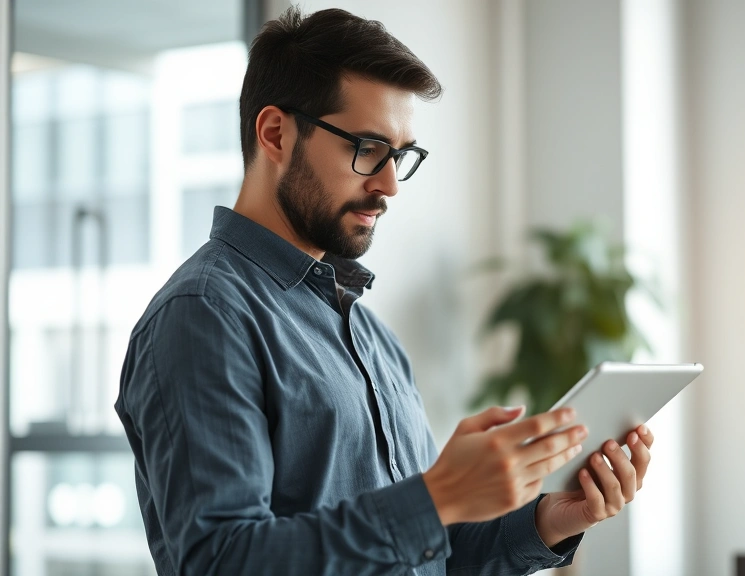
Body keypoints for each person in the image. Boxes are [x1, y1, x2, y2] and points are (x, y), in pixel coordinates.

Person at [115, 7, 655, 575]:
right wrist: (439, 495)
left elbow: (429, 560)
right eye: (368, 148)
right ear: (275, 133)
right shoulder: (204, 316)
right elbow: (223, 562)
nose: (390, 184)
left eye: (400, 155)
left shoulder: (371, 337)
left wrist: (549, 520)